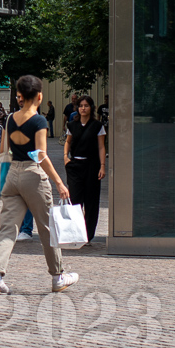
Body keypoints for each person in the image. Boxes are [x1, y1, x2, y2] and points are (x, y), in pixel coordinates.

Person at [0, 74, 77, 295]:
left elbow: (4, 149)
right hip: (33, 175)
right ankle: (57, 276)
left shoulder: (10, 118)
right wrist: (59, 182)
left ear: (21, 95)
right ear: (38, 96)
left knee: (7, 229)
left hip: (12, 175)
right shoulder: (39, 121)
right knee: (47, 228)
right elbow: (40, 154)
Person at [63, 95, 107, 243]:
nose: (83, 108)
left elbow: (101, 146)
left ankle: (87, 235)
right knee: (75, 200)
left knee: (91, 201)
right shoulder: (72, 125)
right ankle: (75, 233)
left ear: (91, 108)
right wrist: (65, 157)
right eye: (81, 106)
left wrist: (102, 166)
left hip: (92, 166)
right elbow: (68, 142)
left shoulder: (97, 126)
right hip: (75, 165)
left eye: (86, 106)